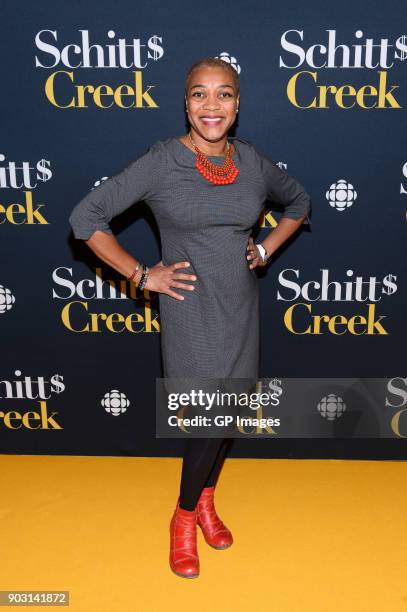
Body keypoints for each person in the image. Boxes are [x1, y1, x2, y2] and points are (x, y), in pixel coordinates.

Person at [68, 56, 312, 579]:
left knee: (230, 411)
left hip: (240, 304)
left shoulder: (251, 163)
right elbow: (84, 220)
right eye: (199, 94)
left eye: (223, 94)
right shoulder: (161, 163)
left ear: (238, 103)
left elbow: (298, 201)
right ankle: (183, 518)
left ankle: (205, 502)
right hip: (191, 307)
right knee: (208, 415)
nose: (211, 105)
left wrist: (264, 251)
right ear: (185, 103)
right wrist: (140, 274)